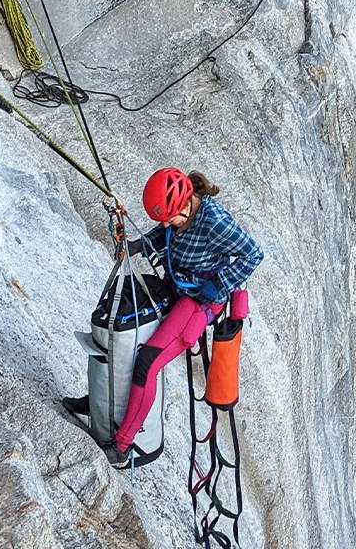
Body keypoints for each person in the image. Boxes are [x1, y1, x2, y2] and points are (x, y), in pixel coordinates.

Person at [105, 167, 263, 465]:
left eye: (169, 218)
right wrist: (138, 245)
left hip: (198, 303)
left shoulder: (214, 220)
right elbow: (163, 233)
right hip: (176, 286)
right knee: (120, 328)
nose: (166, 224)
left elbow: (253, 254)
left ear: (187, 204)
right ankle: (101, 404)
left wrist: (218, 285)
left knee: (147, 363)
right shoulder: (175, 216)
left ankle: (122, 445)